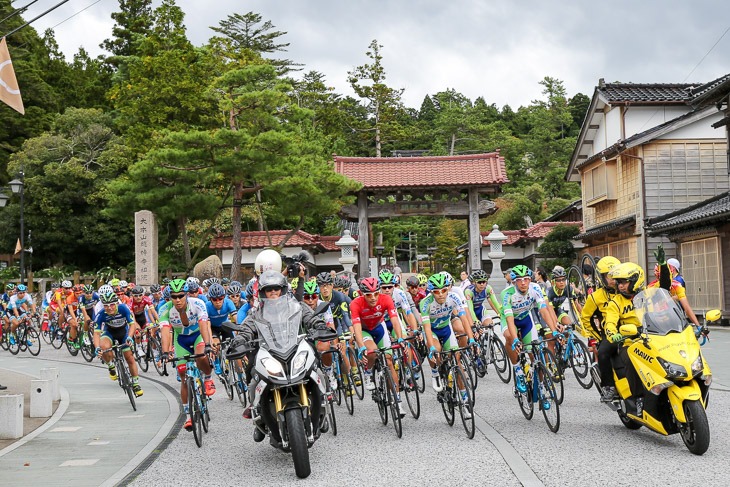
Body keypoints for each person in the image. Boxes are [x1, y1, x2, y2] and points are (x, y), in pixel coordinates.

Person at [238, 270, 329, 443]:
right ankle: (256, 410)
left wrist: (319, 325)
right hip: (270, 353)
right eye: (268, 289)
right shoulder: (256, 313)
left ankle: (325, 398)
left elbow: (310, 318)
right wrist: (240, 340)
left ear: (283, 289)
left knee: (315, 366)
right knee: (253, 375)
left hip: (294, 349)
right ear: (262, 292)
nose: (273, 292)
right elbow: (246, 329)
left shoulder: (297, 306)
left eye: (276, 288)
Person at [159, 279, 215, 431]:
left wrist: (208, 344)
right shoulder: (165, 309)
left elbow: (204, 324)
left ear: (187, 295)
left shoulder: (197, 304)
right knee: (183, 375)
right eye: (174, 296)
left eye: (181, 296)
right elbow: (165, 331)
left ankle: (208, 378)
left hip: (197, 336)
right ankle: (189, 415)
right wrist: (164, 352)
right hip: (181, 340)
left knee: (201, 355)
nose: (177, 300)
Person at [420, 273, 476, 419]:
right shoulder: (425, 303)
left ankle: (464, 399)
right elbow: (426, 328)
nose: (441, 294)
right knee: (436, 350)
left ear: (448, 289)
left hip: (446, 329)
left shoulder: (454, 298)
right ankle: (435, 372)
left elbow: (464, 319)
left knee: (456, 362)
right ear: (431, 292)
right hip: (432, 331)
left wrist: (471, 339)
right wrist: (430, 347)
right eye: (437, 292)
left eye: (444, 290)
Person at [350, 277, 406, 418]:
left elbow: (394, 319)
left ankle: (397, 401)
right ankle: (368, 372)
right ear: (362, 294)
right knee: (372, 351)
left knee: (389, 361)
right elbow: (356, 327)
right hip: (364, 330)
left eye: (376, 293)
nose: (373, 298)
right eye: (369, 295)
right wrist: (361, 346)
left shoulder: (386, 299)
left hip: (379, 328)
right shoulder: (356, 303)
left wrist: (400, 338)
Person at [500, 265, 559, 399]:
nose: (523, 282)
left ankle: (541, 385)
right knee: (509, 337)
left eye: (526, 279)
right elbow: (509, 319)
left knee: (536, 353)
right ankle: (518, 370)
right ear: (514, 281)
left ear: (530, 279)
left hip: (526, 319)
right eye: (519, 280)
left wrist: (554, 331)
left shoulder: (535, 288)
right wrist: (515, 339)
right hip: (510, 320)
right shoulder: (507, 293)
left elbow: (543, 310)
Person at [93, 291, 143, 397]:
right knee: (104, 347)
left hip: (123, 333)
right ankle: (111, 366)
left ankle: (136, 383)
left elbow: (132, 325)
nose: (109, 308)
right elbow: (96, 333)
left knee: (129, 358)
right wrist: (97, 347)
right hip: (109, 332)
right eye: (106, 306)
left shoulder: (123, 308)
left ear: (117, 303)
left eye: (112, 305)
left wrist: (130, 337)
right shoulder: (101, 314)